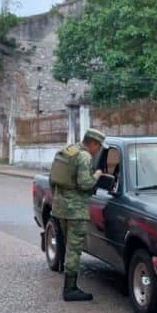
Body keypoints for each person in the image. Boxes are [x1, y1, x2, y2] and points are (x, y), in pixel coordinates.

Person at [49, 128, 105, 302]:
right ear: (93, 143)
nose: (99, 150)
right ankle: (70, 289)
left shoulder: (69, 151)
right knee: (74, 249)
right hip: (76, 211)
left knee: (68, 246)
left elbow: (53, 180)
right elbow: (85, 184)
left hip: (60, 208)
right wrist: (97, 174)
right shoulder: (84, 156)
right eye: (99, 146)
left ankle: (69, 283)